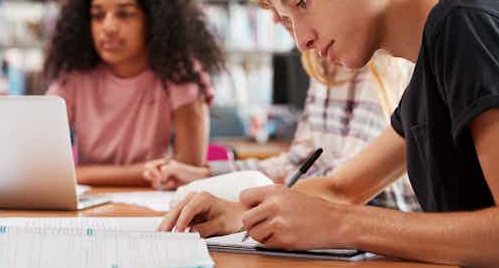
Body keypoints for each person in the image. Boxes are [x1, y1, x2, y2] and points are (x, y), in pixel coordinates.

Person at [159, 0, 499, 268]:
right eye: (288, 21)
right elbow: (342, 188)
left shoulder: (466, 26)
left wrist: (344, 224)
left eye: (302, 2)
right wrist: (239, 212)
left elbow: (342, 209)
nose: (301, 40)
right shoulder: (431, 66)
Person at [144, 50, 419, 212]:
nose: (276, 18)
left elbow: (349, 187)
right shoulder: (323, 65)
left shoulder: (377, 63)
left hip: (385, 240)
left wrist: (243, 207)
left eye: (298, 1)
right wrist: (208, 172)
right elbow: (297, 162)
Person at [44, 0, 224, 186]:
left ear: (156, 20)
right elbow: (43, 168)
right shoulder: (74, 76)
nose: (108, 27)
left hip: (154, 210)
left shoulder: (180, 73)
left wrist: (79, 174)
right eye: (98, 16)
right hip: (86, 208)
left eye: (125, 14)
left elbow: (188, 172)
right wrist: (145, 172)